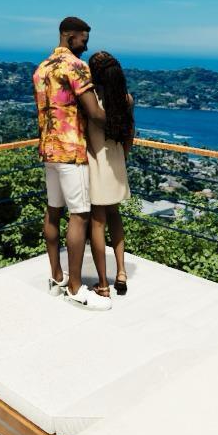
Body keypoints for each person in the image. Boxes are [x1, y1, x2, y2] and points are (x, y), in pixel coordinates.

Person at [33, 16, 112, 310]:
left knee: (53, 211)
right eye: (83, 40)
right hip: (71, 150)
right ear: (69, 36)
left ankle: (57, 278)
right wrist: (120, 119)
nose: (86, 46)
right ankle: (76, 289)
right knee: (79, 215)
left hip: (48, 150)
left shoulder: (41, 68)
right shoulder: (76, 66)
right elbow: (94, 113)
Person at [86, 51, 134, 297]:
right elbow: (129, 135)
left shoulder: (91, 100)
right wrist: (122, 158)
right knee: (115, 216)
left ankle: (103, 283)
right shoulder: (125, 99)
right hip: (117, 163)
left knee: (98, 222)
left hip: (97, 164)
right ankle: (122, 272)